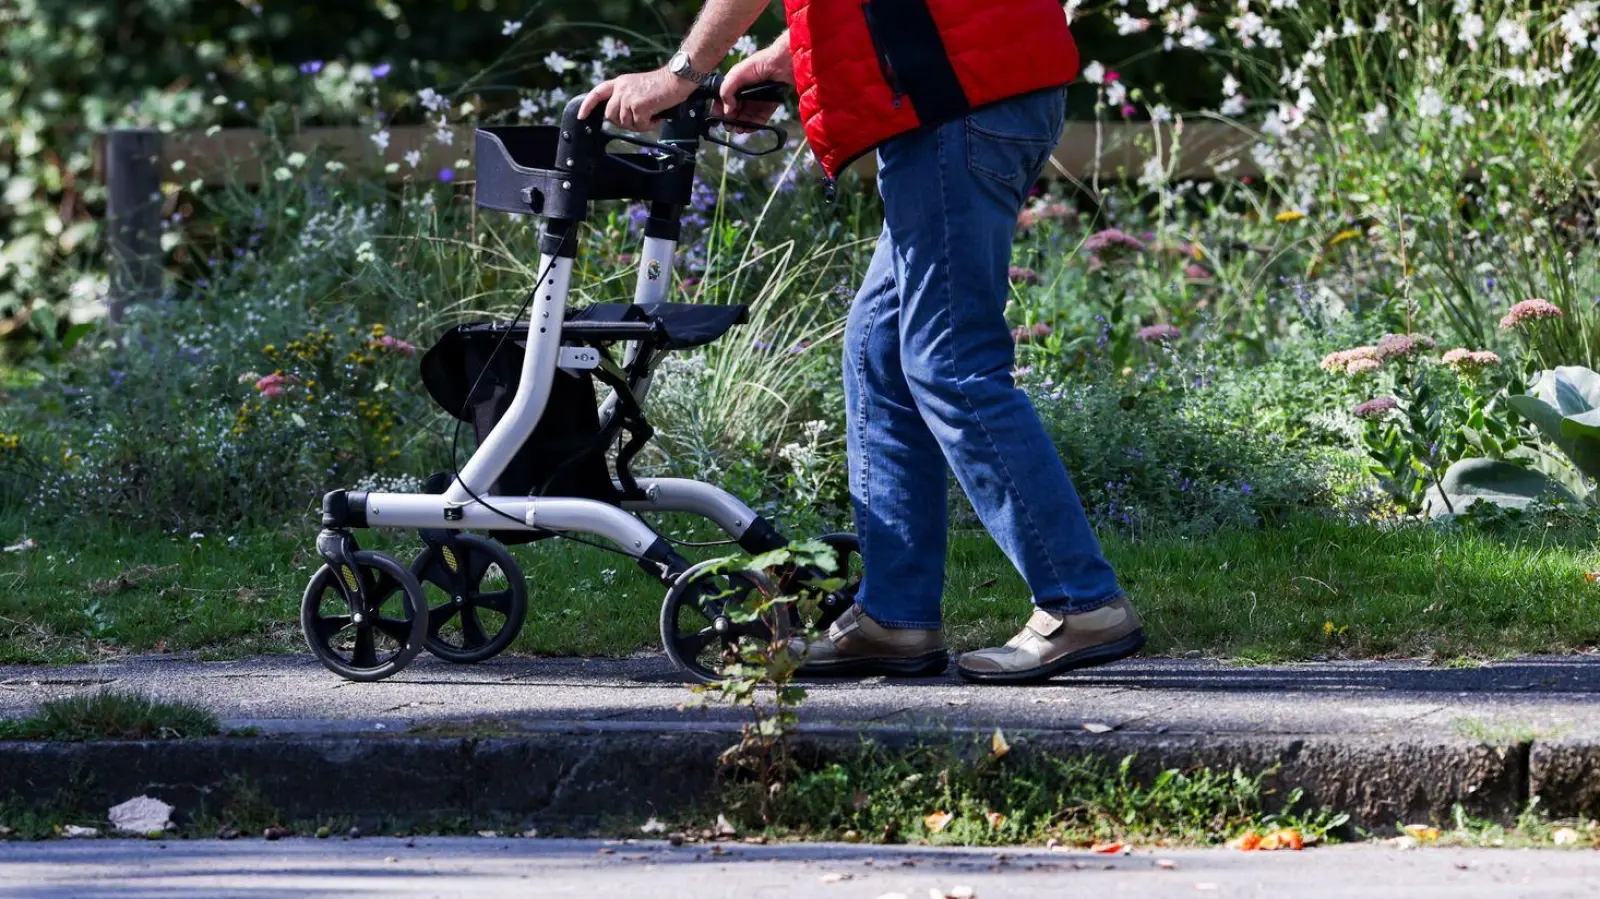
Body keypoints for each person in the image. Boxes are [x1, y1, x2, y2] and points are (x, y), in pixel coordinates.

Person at [582, 0, 1144, 684]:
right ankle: (895, 619)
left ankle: (1080, 599)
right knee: (879, 354)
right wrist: (784, 59)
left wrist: (679, 72)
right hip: (971, 89)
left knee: (952, 364)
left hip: (954, 102)